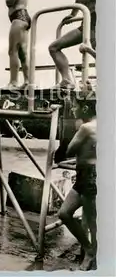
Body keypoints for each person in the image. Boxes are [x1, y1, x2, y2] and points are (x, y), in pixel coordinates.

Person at [57, 98, 97, 270]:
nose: (73, 109)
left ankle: (90, 254)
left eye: (75, 106)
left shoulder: (86, 128)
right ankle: (89, 250)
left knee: (91, 222)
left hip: (90, 177)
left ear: (85, 107)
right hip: (84, 176)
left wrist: (68, 123)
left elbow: (68, 150)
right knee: (64, 213)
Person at [48, 0, 97, 89]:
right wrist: (73, 13)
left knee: (99, 52)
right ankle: (67, 80)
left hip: (100, 19)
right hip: (87, 21)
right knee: (54, 47)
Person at [3, 0, 30, 89]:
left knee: (12, 50)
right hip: (22, 18)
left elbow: (9, 1)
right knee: (22, 52)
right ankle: (28, 82)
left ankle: (13, 82)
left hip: (19, 17)